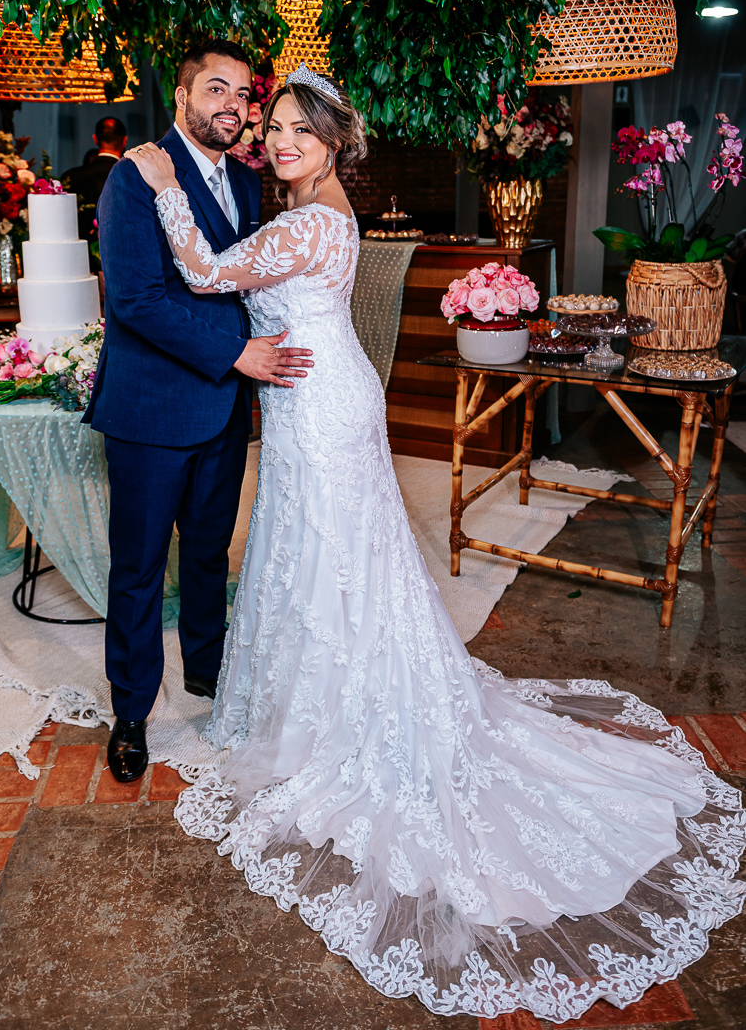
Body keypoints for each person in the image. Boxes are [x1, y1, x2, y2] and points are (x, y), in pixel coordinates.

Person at [125, 64, 746, 1024]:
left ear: (336, 145)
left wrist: (166, 191)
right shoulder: (317, 212)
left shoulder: (311, 219)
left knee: (330, 557)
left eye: (302, 130)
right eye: (276, 127)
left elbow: (207, 274)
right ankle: (323, 694)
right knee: (327, 559)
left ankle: (340, 716)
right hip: (314, 399)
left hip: (318, 406)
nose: (282, 141)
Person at [82, 40, 314, 786]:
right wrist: (237, 356)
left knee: (212, 554)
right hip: (151, 410)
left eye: (244, 95)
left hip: (223, 412)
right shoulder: (133, 177)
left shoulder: (246, 187)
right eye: (216, 89)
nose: (234, 107)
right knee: (141, 566)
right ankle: (131, 711)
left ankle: (210, 674)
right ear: (182, 95)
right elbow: (137, 301)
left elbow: (239, 283)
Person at [62, 118, 129, 255]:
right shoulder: (134, 176)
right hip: (123, 254)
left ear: (95, 139)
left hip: (78, 258)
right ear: (124, 141)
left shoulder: (70, 177)